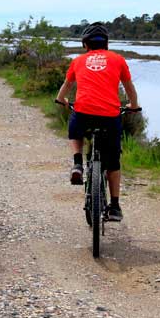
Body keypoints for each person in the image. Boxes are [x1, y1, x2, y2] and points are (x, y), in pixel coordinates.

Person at [55, 22, 139, 221]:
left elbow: (66, 87)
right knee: (113, 162)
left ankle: (77, 164)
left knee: (75, 130)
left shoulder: (78, 61)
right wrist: (133, 106)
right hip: (110, 116)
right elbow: (129, 88)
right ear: (107, 44)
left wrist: (61, 100)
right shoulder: (118, 60)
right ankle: (116, 206)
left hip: (83, 113)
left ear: (85, 44)